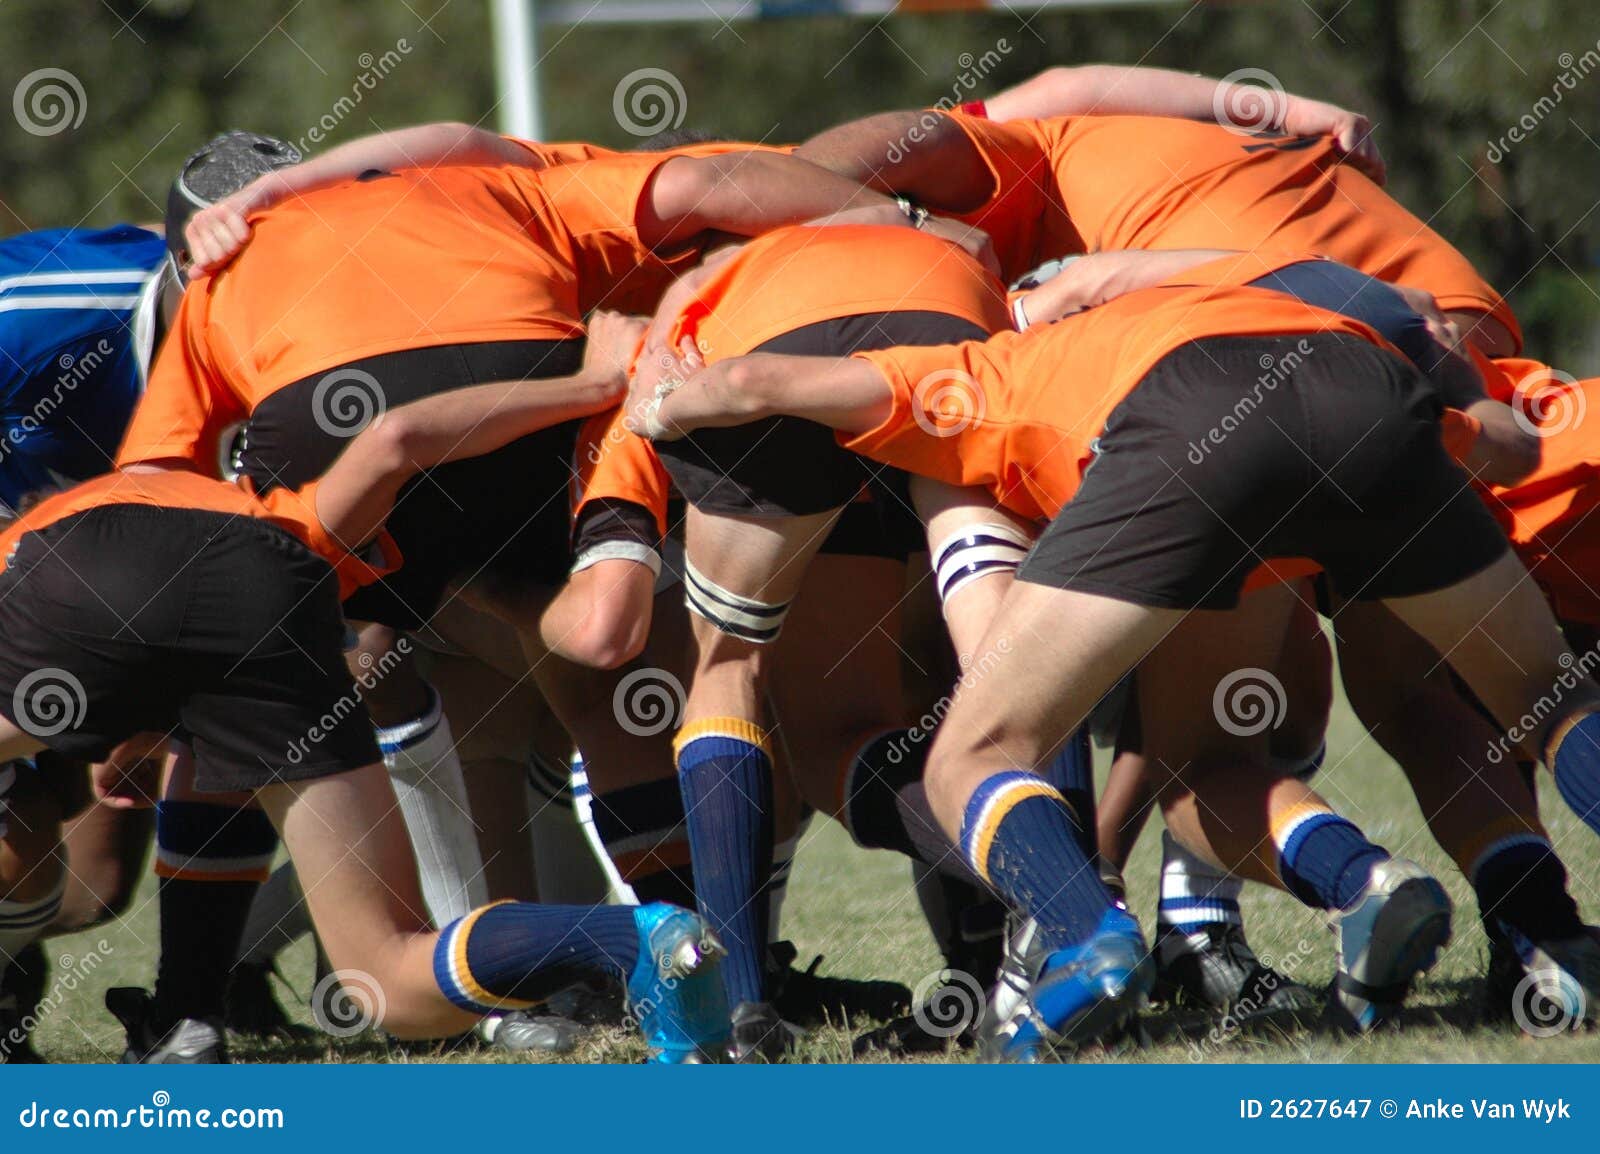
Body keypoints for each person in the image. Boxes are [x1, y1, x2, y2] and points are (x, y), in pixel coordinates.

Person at [630, 253, 1600, 1056]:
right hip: (1373, 400)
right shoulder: (1251, 287)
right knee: (1546, 695)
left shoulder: (982, 372)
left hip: (1180, 425)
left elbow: (759, 381)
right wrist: (1448, 428)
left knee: (973, 752)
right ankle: (1553, 931)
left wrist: (663, 406)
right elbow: (1508, 447)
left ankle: (1089, 938)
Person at [0, 311, 735, 1065]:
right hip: (271, 599)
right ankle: (644, 935)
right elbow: (396, 437)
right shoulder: (283, 521)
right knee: (389, 974)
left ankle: (171, 1008)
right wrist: (594, 383)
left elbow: (389, 440)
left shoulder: (52, 525)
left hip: (61, 571)